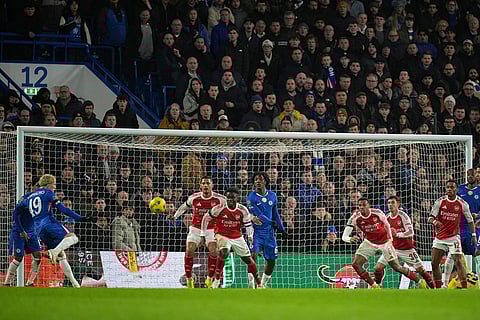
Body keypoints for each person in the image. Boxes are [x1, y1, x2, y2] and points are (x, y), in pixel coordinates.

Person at [25, 174, 93, 288]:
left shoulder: (30, 197)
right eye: (54, 184)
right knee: (73, 237)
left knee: (62, 256)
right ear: (49, 184)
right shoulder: (48, 193)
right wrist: (80, 218)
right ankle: (54, 251)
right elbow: (63, 209)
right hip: (49, 223)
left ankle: (75, 284)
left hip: (39, 230)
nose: (55, 187)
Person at [342, 197, 418, 289]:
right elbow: (344, 236)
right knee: (356, 264)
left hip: (385, 242)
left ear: (369, 205)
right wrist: (350, 239)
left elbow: (387, 226)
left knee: (397, 267)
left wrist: (390, 240)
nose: (362, 207)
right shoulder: (354, 217)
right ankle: (374, 286)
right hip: (369, 242)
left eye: (364, 205)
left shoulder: (377, 213)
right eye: (360, 205)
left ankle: (419, 281)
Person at [201, 187, 261, 289]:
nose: (230, 200)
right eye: (228, 198)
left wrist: (250, 236)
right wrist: (203, 234)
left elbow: (248, 225)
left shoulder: (243, 210)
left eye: (232, 198)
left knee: (249, 260)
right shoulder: (219, 208)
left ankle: (259, 283)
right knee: (224, 252)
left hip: (237, 237)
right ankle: (217, 280)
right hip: (222, 235)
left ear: (237, 198)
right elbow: (206, 218)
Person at [172, 176, 225, 288]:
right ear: (200, 186)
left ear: (212, 186)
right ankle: (189, 279)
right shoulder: (194, 198)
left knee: (214, 251)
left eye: (208, 183)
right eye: (203, 183)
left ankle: (209, 278)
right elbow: (183, 207)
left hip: (211, 229)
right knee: (189, 250)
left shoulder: (220, 199)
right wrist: (175, 216)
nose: (205, 185)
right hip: (196, 228)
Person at [374, 196, 434, 288]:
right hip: (392, 248)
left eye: (393, 202)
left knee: (421, 270)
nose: (390, 205)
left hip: (407, 249)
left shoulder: (403, 216)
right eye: (389, 203)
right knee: (378, 268)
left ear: (398, 204)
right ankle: (377, 286)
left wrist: (397, 234)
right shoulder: (386, 218)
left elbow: (411, 232)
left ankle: (433, 288)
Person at [428, 179, 476, 288]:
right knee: (434, 264)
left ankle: (464, 289)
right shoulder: (440, 202)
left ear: (457, 189)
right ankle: (439, 288)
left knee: (458, 262)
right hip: (440, 237)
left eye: (452, 187)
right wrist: (435, 222)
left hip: (454, 237)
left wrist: (473, 235)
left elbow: (470, 220)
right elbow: (430, 218)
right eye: (448, 187)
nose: (449, 189)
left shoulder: (462, 203)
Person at [247, 172, 287, 288]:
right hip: (255, 232)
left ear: (266, 181)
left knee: (271, 261)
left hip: (269, 233)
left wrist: (282, 229)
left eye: (260, 179)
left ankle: (262, 284)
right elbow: (258, 215)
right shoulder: (251, 198)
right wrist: (271, 222)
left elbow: (275, 214)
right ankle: (251, 282)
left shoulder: (273, 196)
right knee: (252, 255)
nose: (258, 181)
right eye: (256, 180)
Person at [4, 193, 42, 286]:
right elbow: (16, 214)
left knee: (37, 256)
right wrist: (21, 231)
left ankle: (30, 282)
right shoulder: (25, 199)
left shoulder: (43, 200)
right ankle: (7, 283)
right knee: (18, 258)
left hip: (32, 232)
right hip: (19, 231)